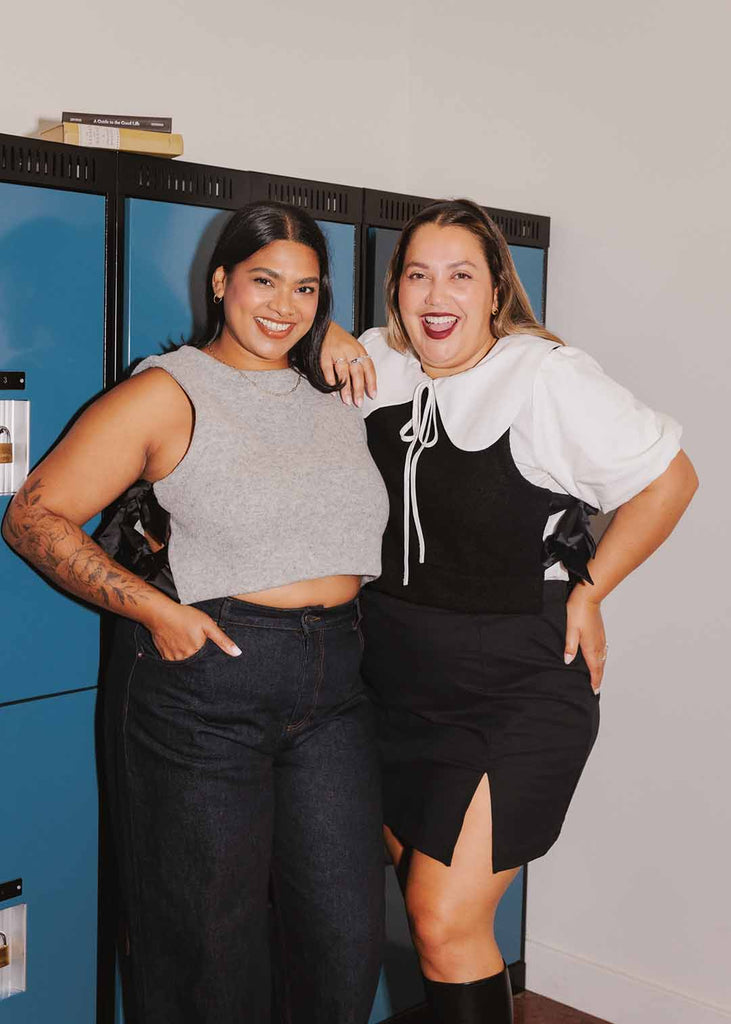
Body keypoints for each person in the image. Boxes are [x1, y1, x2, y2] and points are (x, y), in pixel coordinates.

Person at [2, 200, 389, 1024]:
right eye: (263, 281)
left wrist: (332, 341)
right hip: (208, 688)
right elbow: (32, 515)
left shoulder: (330, 388)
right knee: (207, 952)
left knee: (345, 941)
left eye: (306, 289)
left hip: (335, 691)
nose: (283, 305)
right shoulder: (166, 391)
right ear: (221, 282)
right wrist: (155, 611)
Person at [321, 198, 698, 1024]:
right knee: (428, 920)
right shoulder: (380, 359)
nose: (436, 294)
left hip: (515, 684)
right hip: (391, 678)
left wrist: (590, 588)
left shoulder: (544, 377)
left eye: (460, 274)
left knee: (443, 918)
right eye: (417, 274)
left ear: (495, 290)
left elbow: (669, 481)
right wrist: (325, 336)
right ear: (395, 288)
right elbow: (271, 339)